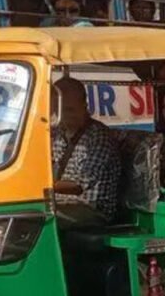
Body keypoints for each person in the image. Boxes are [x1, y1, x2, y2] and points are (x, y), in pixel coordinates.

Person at [52, 77, 121, 227]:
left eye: (69, 109)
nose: (64, 114)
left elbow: (79, 185)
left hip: (93, 210)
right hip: (59, 203)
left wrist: (41, 186)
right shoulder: (56, 133)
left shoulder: (98, 136)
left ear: (84, 106)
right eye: (59, 109)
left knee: (43, 221)